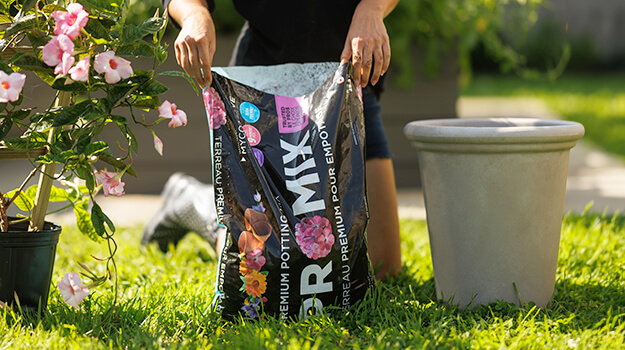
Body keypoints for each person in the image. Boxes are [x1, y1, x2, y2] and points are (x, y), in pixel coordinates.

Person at [143, 0, 402, 280]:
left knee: (382, 266)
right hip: (260, 89)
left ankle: (204, 200)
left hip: (346, 83)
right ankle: (195, 203)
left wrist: (372, 9)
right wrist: (194, 14)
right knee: (254, 265)